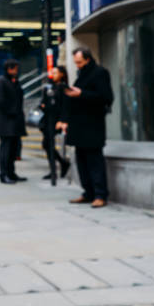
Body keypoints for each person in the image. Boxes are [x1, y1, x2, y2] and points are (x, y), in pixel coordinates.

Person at [60, 47, 113, 208]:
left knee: (95, 162)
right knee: (82, 162)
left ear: (88, 59)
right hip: (79, 126)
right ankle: (88, 193)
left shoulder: (99, 73)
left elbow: (106, 98)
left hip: (92, 126)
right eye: (76, 62)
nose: (77, 65)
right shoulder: (81, 74)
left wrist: (81, 93)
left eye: (80, 62)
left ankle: (100, 195)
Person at [0, 59, 27, 184]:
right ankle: (4, 174)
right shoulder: (1, 82)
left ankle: (11, 172)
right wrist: (12, 112)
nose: (16, 71)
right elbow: (1, 101)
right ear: (9, 69)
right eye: (15, 69)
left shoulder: (14, 81)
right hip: (6, 122)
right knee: (6, 149)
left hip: (15, 121)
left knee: (13, 149)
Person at [38, 66, 71, 180]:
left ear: (62, 74)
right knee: (47, 144)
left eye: (55, 72)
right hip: (48, 119)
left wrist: (62, 120)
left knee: (49, 144)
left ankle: (55, 170)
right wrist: (43, 105)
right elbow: (43, 102)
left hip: (57, 120)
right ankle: (59, 165)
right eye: (52, 72)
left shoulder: (64, 88)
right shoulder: (49, 87)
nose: (53, 74)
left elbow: (65, 106)